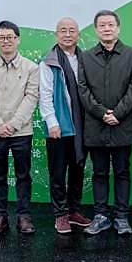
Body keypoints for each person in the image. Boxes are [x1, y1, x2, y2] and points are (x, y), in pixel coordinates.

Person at [78, 10, 132, 236]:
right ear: (96, 29)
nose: (107, 29)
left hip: (123, 124)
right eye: (102, 25)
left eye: (110, 25)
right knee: (99, 172)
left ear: (118, 28)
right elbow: (83, 89)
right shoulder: (86, 57)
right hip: (96, 125)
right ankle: (101, 216)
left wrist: (118, 113)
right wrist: (101, 112)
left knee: (122, 171)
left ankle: (122, 217)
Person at [0, 21, 39, 236]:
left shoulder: (31, 68)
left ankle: (24, 216)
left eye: (10, 37)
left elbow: (31, 98)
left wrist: (13, 124)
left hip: (21, 132)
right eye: (1, 37)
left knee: (23, 176)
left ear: (17, 39)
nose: (6, 41)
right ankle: (0, 217)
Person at [39, 17, 92, 234]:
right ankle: (60, 214)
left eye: (72, 30)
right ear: (56, 35)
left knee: (78, 169)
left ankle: (74, 211)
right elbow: (45, 95)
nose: (67, 34)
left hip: (82, 126)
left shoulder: (86, 59)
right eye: (63, 30)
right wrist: (52, 122)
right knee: (58, 173)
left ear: (78, 34)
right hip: (59, 127)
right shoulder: (48, 62)